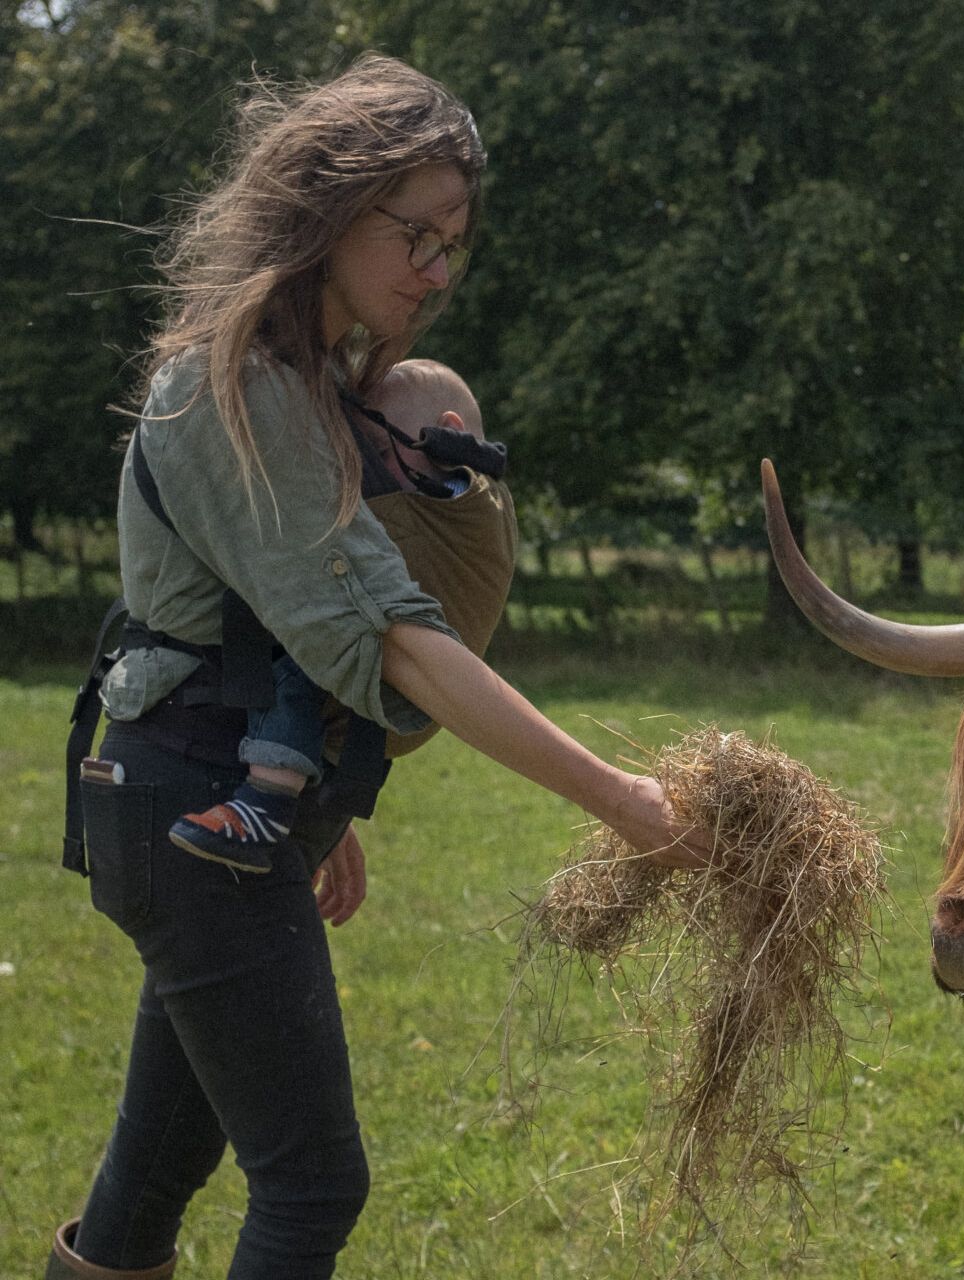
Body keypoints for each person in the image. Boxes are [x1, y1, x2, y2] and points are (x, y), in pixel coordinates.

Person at [50, 54, 709, 1280]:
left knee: (153, 1170)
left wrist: (315, 800)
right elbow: (393, 635)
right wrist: (624, 801)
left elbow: (285, 626)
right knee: (312, 1183)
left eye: (453, 243)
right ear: (326, 205)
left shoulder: (309, 386)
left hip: (209, 810)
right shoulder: (233, 382)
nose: (437, 271)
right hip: (195, 817)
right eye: (415, 233)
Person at [164, 359, 487, 873]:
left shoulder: (448, 502)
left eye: (377, 454)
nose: (363, 474)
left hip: (369, 649)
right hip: (369, 705)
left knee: (299, 663)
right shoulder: (471, 494)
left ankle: (268, 799)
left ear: (447, 437)